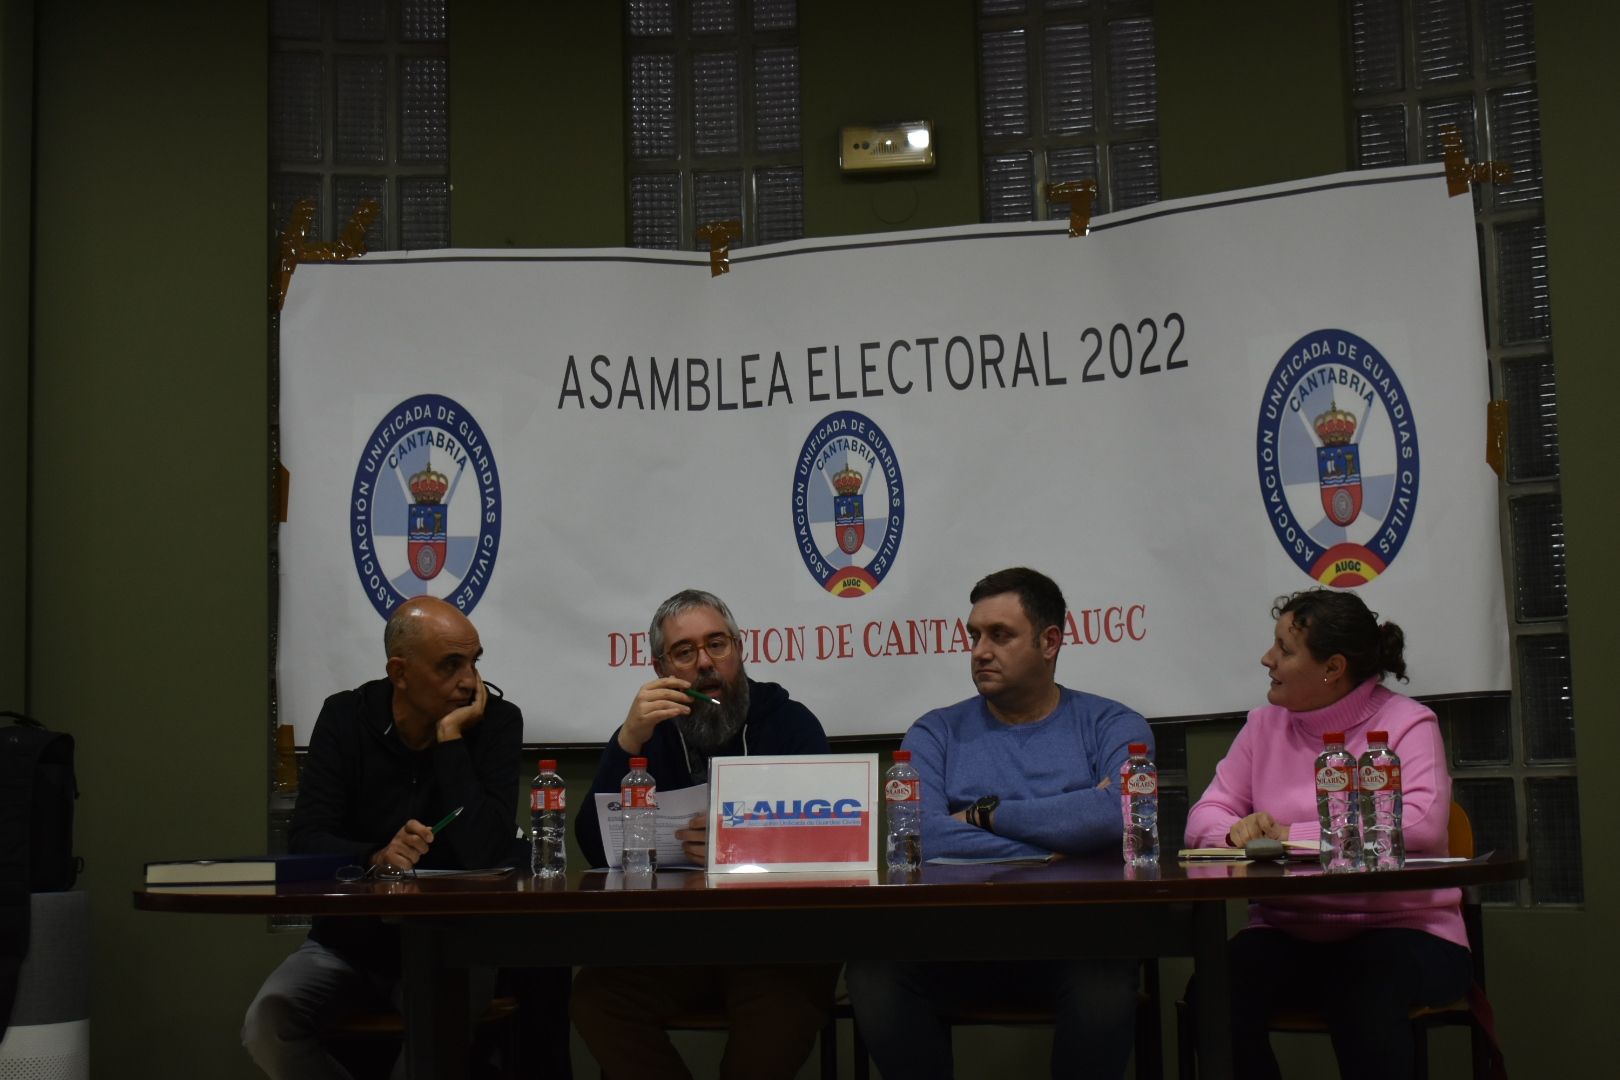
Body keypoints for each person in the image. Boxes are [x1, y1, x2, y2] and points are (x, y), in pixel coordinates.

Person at [845, 567, 1152, 1080]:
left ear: (1050, 641)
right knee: (874, 974)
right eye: (974, 635)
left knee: (1104, 981)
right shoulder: (935, 731)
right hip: (955, 942)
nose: (980, 650)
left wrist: (985, 814)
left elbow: (1115, 816)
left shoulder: (1111, 725)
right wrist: (1055, 844)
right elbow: (923, 833)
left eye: (1000, 635)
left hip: (1076, 942)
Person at [1183, 588, 1469, 1080]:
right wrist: (1235, 832)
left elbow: (1419, 824)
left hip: (1403, 931)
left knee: (1364, 989)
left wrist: (1288, 835)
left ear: (1333, 668)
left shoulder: (1407, 723)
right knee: (1211, 990)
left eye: (1285, 650)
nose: (1266, 658)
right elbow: (1203, 816)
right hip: (1286, 929)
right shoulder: (1263, 725)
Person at [241, 595, 523, 1080]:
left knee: (439, 1032)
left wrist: (450, 739)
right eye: (450, 666)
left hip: (450, 944)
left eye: (474, 663)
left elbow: (488, 851)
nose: (469, 682)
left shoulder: (495, 722)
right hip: (350, 942)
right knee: (268, 1019)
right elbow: (306, 838)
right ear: (399, 672)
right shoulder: (346, 718)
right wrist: (375, 855)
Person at [570, 588, 838, 1080]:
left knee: (782, 1015)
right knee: (596, 999)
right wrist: (627, 740)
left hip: (777, 948)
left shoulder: (790, 723)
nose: (705, 663)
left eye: (718, 644)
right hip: (675, 945)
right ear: (659, 668)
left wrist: (742, 845)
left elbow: (832, 839)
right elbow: (594, 845)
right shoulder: (647, 734)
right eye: (684, 652)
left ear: (741, 649)